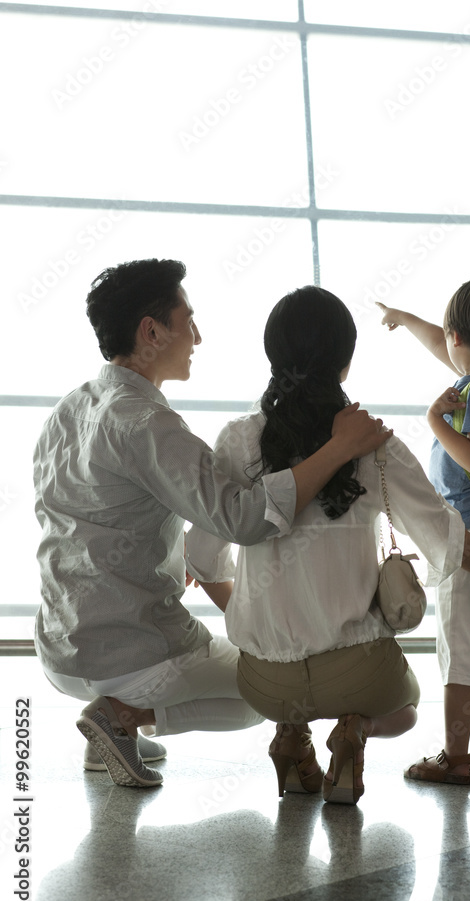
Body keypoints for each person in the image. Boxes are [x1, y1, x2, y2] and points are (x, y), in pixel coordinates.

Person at [34, 259, 388, 789]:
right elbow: (245, 518)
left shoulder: (70, 408)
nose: (197, 336)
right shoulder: (147, 423)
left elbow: (88, 516)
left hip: (59, 646)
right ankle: (122, 716)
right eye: (188, 320)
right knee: (266, 693)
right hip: (129, 653)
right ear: (151, 331)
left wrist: (175, 550)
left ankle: (114, 728)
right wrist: (339, 448)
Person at [185, 286, 470, 805]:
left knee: (280, 686)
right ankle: (354, 734)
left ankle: (292, 738)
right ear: (345, 365)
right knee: (405, 709)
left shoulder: (237, 440)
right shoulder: (374, 445)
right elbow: (444, 536)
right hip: (358, 672)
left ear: (274, 355)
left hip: (266, 682)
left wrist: (255, 617)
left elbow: (202, 558)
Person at [378, 275, 470, 784]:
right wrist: (404, 317)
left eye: (446, 335)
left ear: (458, 337)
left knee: (458, 654)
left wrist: (434, 421)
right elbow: (444, 343)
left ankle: (455, 757)